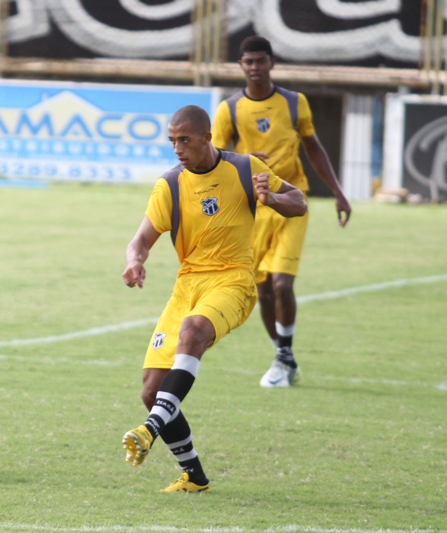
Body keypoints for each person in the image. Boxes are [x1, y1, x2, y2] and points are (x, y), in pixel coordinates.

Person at [121, 105, 307, 492]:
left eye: (184, 139)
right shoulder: (169, 184)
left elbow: (299, 202)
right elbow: (140, 239)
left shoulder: (243, 168)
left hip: (234, 280)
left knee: (194, 330)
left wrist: (271, 200)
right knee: (151, 390)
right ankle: (194, 476)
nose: (177, 148)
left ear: (207, 138)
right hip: (187, 285)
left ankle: (151, 429)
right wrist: (134, 261)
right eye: (172, 140)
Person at [211, 36, 352, 388]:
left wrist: (337, 192)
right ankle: (283, 355)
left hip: (291, 201)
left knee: (282, 283)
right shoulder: (229, 109)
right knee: (263, 292)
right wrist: (246, 163)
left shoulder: (294, 103)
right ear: (240, 66)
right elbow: (214, 160)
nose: (255, 67)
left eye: (261, 60)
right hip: (253, 209)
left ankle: (283, 358)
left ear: (272, 63)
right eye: (248, 62)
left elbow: (314, 148)